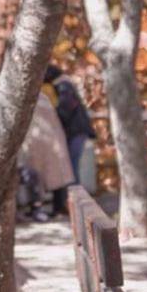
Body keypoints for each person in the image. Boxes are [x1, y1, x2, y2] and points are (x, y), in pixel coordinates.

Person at [19, 79, 76, 219]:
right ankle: (55, 208)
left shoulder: (29, 99)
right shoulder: (42, 97)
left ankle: (40, 209)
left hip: (39, 141)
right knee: (55, 175)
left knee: (41, 176)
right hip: (50, 140)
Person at [45, 64, 97, 196]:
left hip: (76, 131)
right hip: (76, 131)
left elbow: (66, 107)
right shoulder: (64, 85)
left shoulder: (64, 86)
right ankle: (73, 197)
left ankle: (76, 198)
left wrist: (53, 115)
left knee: (71, 167)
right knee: (70, 166)